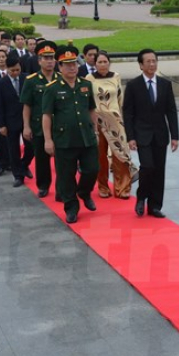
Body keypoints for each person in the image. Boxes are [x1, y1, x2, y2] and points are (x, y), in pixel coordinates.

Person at [42, 45, 99, 224]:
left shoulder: (85, 84)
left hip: (86, 137)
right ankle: (71, 208)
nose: (72, 68)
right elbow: (46, 116)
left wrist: (95, 130)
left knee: (92, 169)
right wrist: (48, 140)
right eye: (67, 65)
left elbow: (91, 110)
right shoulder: (52, 88)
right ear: (60, 67)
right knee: (66, 176)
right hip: (64, 140)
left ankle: (84, 191)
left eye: (74, 64)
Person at [122, 48, 179, 219]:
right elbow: (128, 113)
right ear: (141, 65)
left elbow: (171, 111)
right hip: (142, 134)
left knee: (159, 170)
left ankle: (154, 206)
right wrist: (131, 137)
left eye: (154, 61)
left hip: (160, 134)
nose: (152, 64)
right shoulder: (133, 86)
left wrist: (175, 136)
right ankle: (141, 197)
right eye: (148, 61)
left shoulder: (165, 84)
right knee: (147, 167)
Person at [85, 50, 138, 199]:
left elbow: (120, 98)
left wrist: (121, 118)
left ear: (109, 62)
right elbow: (87, 101)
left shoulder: (116, 77)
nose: (103, 64)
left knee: (120, 154)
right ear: (95, 64)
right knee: (100, 156)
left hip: (115, 121)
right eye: (99, 62)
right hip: (98, 121)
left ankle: (122, 188)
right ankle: (103, 187)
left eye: (105, 61)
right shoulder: (89, 79)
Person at [20, 40, 58, 199]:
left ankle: (62, 188)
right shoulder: (32, 80)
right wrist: (26, 126)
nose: (49, 61)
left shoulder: (61, 78)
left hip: (59, 126)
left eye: (51, 58)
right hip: (38, 126)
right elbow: (27, 105)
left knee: (62, 161)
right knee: (42, 160)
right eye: (45, 58)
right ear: (39, 61)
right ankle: (43, 186)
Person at [0, 56, 34, 188]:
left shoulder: (27, 79)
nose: (15, 73)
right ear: (7, 69)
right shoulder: (0, 83)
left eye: (17, 70)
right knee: (13, 149)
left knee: (31, 147)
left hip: (27, 119)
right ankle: (18, 175)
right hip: (10, 121)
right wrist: (1, 125)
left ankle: (24, 165)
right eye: (12, 71)